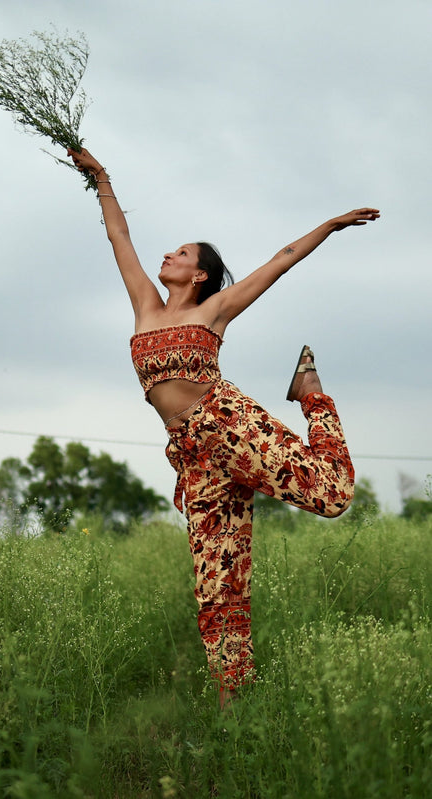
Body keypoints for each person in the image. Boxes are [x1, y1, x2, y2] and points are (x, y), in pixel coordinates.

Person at [67, 145, 380, 707]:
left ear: (200, 274)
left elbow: (281, 260)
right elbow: (119, 241)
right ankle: (234, 707)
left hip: (229, 425)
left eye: (181, 253)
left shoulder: (213, 310)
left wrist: (330, 226)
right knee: (218, 582)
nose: (168, 255)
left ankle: (312, 396)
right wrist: (101, 179)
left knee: (333, 496)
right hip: (192, 453)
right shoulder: (145, 305)